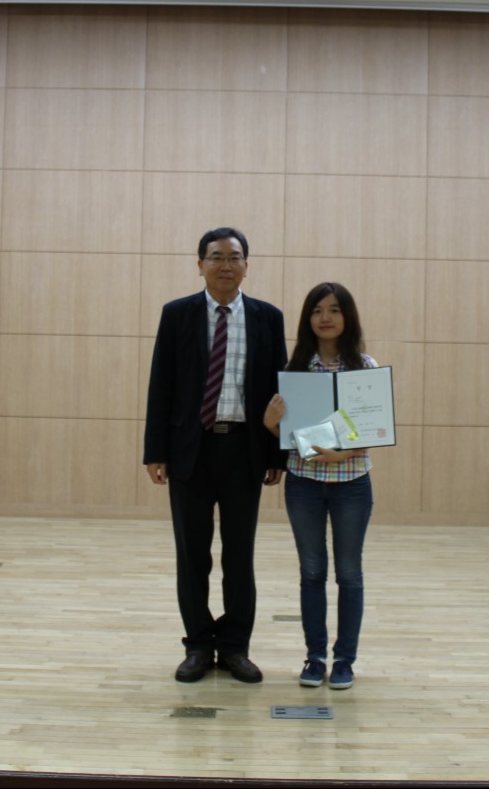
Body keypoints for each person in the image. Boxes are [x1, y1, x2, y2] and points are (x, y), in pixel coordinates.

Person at [144, 227, 288, 684]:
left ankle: (235, 647)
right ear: (200, 264)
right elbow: (161, 384)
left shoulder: (268, 318)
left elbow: (278, 390)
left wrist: (277, 454)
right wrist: (155, 451)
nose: (226, 265)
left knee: (239, 556)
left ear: (247, 265)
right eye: (216, 256)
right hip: (191, 449)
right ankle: (199, 646)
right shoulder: (177, 314)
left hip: (244, 449)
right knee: (193, 555)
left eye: (234, 257)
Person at [263, 282, 376, 690]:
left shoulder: (364, 366)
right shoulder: (294, 369)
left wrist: (343, 454)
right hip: (304, 484)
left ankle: (344, 661)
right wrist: (271, 425)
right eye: (316, 311)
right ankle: (315, 658)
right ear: (307, 319)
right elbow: (287, 432)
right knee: (311, 572)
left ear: (347, 316)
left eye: (333, 310)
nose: (324, 318)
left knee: (349, 574)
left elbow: (373, 427)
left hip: (352, 484)